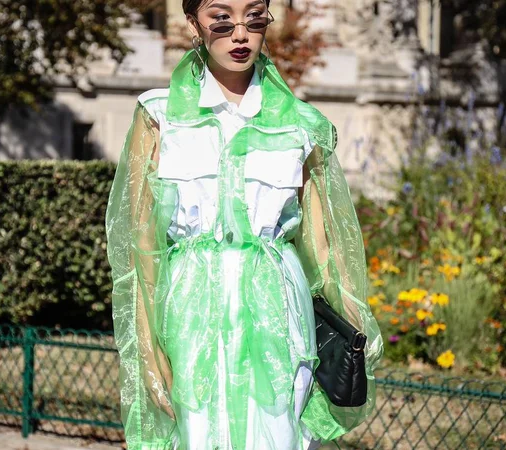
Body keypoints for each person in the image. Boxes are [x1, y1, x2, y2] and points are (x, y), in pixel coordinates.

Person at [105, 0, 383, 448]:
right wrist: (147, 349)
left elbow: (322, 245)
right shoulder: (159, 115)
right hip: (189, 315)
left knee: (276, 434)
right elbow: (142, 244)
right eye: (222, 19)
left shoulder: (301, 124)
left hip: (279, 316)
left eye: (254, 19)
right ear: (194, 24)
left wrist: (355, 325)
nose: (240, 34)